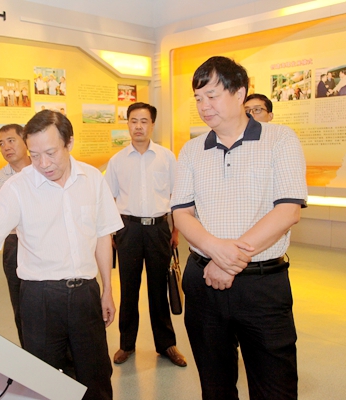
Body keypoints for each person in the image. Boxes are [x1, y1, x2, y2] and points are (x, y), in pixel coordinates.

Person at [0, 110, 123, 400]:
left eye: (50, 153)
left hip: (85, 294)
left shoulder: (92, 179)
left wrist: (107, 289)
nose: (43, 164)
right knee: (43, 382)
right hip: (39, 297)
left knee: (96, 377)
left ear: (69, 143)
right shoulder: (17, 187)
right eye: (34, 155)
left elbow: (102, 235)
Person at [172, 56, 307, 400]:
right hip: (204, 284)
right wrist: (216, 251)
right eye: (198, 98)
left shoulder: (280, 139)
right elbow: (182, 213)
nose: (204, 106)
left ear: (240, 93)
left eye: (212, 95)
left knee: (275, 388)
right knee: (215, 387)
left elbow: (288, 211)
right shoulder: (191, 150)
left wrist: (228, 261)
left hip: (262, 286)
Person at [104, 102, 187, 367]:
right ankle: (126, 344)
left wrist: (175, 229)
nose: (138, 126)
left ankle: (166, 344)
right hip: (127, 229)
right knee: (128, 288)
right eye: (133, 121)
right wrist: (112, 234)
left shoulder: (166, 157)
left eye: (144, 121)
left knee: (159, 289)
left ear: (152, 124)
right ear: (127, 124)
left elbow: (177, 196)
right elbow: (108, 200)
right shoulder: (117, 161)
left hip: (158, 229)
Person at [0, 123, 31, 346]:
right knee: (20, 304)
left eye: (11, 140)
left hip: (46, 241)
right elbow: (7, 218)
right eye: (1, 143)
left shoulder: (43, 167)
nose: (6, 147)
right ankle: (29, 353)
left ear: (26, 141)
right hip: (15, 242)